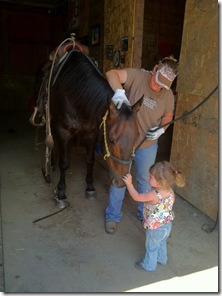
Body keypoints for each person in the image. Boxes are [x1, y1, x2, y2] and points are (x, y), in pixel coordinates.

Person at [105, 55, 179, 234]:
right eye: (157, 81)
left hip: (148, 144)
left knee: (146, 180)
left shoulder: (167, 95)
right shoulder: (137, 76)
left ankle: (143, 213)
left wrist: (162, 129)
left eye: (163, 85)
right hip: (125, 143)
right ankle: (113, 216)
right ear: (154, 69)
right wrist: (120, 92)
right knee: (120, 179)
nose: (158, 87)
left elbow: (168, 115)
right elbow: (111, 74)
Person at [122, 161, 185, 271]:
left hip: (155, 229)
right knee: (161, 243)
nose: (148, 177)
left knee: (151, 247)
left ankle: (149, 265)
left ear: (160, 182)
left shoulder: (153, 195)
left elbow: (136, 197)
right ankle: (162, 259)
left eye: (151, 177)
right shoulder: (170, 192)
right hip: (167, 225)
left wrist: (129, 184)